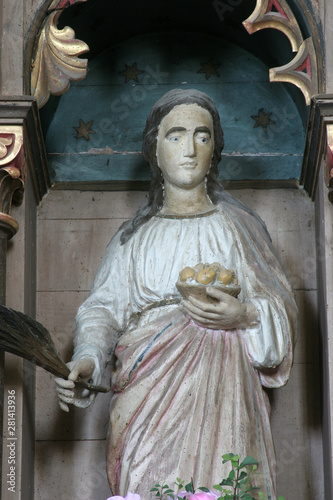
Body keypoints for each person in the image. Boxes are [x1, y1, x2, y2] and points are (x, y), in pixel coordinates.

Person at [55, 89, 297, 500]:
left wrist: (247, 317)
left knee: (226, 484)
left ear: (215, 149)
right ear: (155, 149)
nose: (189, 148)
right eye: (176, 136)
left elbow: (279, 309)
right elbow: (103, 311)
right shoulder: (133, 239)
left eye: (202, 136)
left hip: (225, 394)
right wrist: (87, 359)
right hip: (147, 396)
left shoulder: (240, 229)